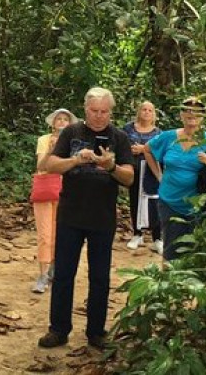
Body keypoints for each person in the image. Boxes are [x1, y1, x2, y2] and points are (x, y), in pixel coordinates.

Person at [37, 87, 134, 350]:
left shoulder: (120, 137)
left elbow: (129, 178)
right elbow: (50, 165)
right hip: (70, 215)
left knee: (100, 277)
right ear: (85, 109)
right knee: (64, 275)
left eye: (104, 112)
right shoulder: (72, 132)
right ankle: (58, 330)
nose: (99, 116)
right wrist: (75, 160)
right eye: (94, 111)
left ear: (110, 112)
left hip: (102, 218)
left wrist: (110, 166)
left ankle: (96, 331)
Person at [141, 97, 206, 263]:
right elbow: (148, 149)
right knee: (171, 253)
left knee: (201, 254)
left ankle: (198, 287)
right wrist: (159, 176)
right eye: (187, 110)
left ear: (204, 116)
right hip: (170, 202)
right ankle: (170, 288)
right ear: (181, 114)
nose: (192, 114)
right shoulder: (169, 137)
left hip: (201, 207)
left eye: (197, 111)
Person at [30, 108, 78, 294]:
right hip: (46, 187)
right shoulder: (43, 139)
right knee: (44, 233)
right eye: (59, 119)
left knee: (61, 233)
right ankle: (42, 274)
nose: (62, 122)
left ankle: (54, 270)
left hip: (67, 189)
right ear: (53, 122)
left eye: (66, 119)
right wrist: (51, 150)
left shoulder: (73, 141)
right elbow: (41, 164)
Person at [122, 101, 163, 254]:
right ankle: (137, 234)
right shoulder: (128, 128)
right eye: (144, 109)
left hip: (152, 172)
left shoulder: (159, 133)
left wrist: (144, 149)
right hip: (133, 170)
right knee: (135, 201)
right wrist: (130, 151)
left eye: (150, 110)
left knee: (154, 202)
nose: (146, 112)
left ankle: (157, 238)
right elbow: (120, 145)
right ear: (139, 112)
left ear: (154, 114)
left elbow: (161, 151)